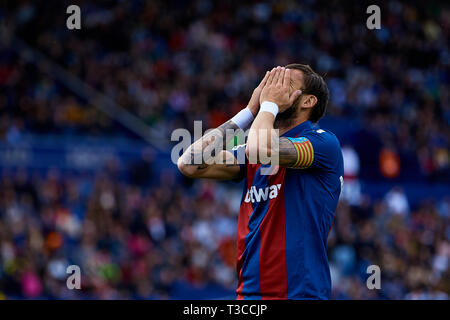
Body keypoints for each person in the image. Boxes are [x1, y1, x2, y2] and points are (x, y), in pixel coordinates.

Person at [178, 64, 344, 299]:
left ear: (308, 101)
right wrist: (248, 111)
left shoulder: (323, 143)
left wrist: (268, 106)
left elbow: (262, 149)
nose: (271, 90)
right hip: (249, 295)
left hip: (299, 294)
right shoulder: (252, 150)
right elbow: (189, 163)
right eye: (269, 83)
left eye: (283, 84)